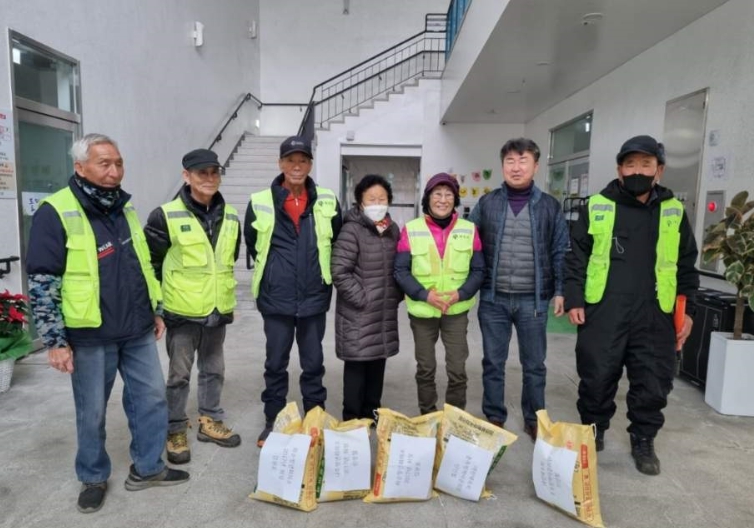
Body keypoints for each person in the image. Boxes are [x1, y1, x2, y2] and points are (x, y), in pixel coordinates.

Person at [26, 133, 189, 514]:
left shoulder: (124, 207)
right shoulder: (56, 210)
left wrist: (155, 308)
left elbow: (140, 264)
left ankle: (148, 467)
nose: (114, 171)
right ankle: (93, 476)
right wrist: (55, 340)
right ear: (80, 167)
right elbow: (43, 280)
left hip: (136, 328)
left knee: (151, 399)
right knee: (92, 411)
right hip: (90, 334)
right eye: (104, 163)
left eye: (118, 163)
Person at [564, 135, 699, 475]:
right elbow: (576, 256)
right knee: (596, 375)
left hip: (655, 311)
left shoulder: (673, 210)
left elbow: (686, 264)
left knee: (653, 381)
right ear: (619, 169)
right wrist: (574, 298)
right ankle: (593, 429)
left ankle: (643, 438)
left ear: (659, 170)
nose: (637, 170)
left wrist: (689, 311)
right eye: (630, 164)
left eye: (645, 164)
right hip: (604, 309)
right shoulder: (597, 205)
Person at [144, 149, 242, 465]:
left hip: (217, 309)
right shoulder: (165, 215)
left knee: (214, 370)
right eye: (202, 173)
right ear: (186, 176)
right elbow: (150, 264)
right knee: (179, 375)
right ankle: (175, 429)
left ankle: (209, 420)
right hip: (181, 311)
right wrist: (157, 308)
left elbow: (227, 260)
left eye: (214, 172)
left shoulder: (231, 216)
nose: (209, 178)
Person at [244, 135, 342, 447]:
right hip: (276, 298)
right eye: (290, 160)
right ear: (280, 164)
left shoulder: (327, 199)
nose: (296, 166)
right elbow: (253, 244)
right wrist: (277, 273)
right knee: (275, 363)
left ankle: (315, 418)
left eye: (302, 161)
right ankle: (274, 419)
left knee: (313, 364)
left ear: (310, 165)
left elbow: (336, 239)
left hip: (314, 297)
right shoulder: (260, 201)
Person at [469, 138, 569, 441]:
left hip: (533, 302)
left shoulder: (550, 206)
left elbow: (560, 250)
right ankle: (494, 416)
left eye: (523, 160)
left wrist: (561, 290)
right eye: (510, 161)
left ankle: (534, 418)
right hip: (493, 299)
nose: (516, 167)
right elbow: (468, 243)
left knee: (534, 365)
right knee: (493, 363)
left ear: (535, 166)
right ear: (502, 166)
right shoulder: (487, 203)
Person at [394, 172, 484, 415]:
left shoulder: (469, 229)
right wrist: (425, 295)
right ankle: (428, 415)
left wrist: (461, 294)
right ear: (428, 198)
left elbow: (479, 270)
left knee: (457, 369)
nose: (443, 200)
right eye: (437, 194)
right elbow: (400, 271)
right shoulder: (411, 229)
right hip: (423, 311)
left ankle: (454, 418)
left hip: (456, 311)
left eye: (448, 195)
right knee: (426, 368)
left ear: (455, 200)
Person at [331, 174, 402, 422]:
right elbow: (340, 271)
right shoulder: (351, 229)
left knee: (377, 364)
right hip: (358, 313)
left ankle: (371, 412)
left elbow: (400, 267)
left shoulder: (392, 230)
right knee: (357, 365)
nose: (377, 203)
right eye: (371, 199)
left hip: (383, 311)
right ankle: (352, 417)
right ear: (360, 202)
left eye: (382, 198)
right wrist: (364, 299)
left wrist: (395, 295)